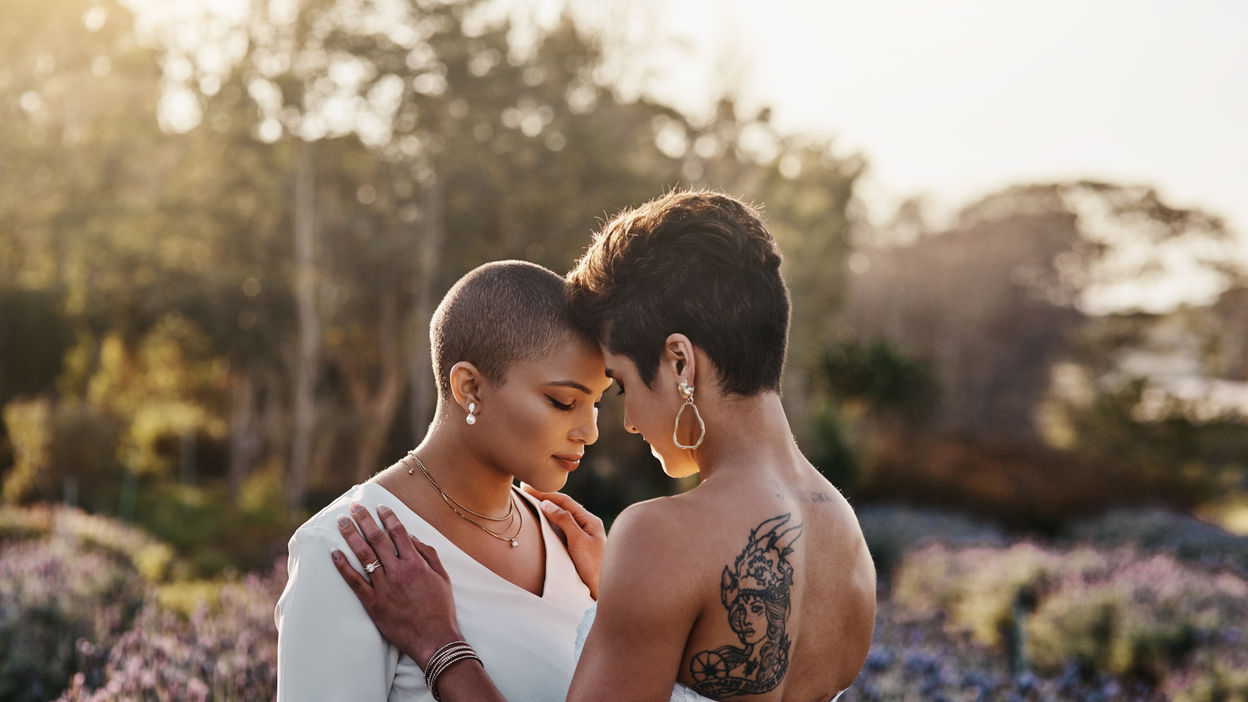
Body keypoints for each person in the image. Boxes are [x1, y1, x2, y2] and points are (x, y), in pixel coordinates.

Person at [335, 190, 878, 701]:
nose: (627, 424)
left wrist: (439, 646)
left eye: (619, 386)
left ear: (680, 363)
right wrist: (619, 594)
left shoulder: (662, 537)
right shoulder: (847, 539)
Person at [274, 260, 614, 701]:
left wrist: (614, 601)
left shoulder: (573, 547)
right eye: (564, 401)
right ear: (469, 387)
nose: (590, 432)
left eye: (597, 404)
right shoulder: (353, 549)